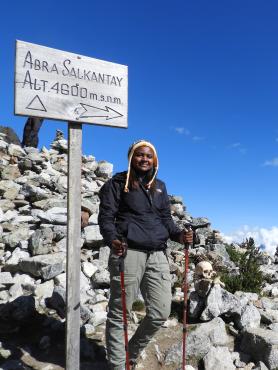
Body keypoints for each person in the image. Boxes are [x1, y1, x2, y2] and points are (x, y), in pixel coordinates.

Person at [98, 140, 193, 370]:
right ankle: (118, 365)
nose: (144, 159)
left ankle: (130, 351)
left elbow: (166, 221)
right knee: (121, 313)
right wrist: (113, 240)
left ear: (155, 160)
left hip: (158, 254)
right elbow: (106, 217)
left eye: (149, 156)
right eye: (140, 155)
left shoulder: (159, 186)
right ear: (131, 157)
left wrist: (180, 236)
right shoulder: (117, 183)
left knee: (161, 311)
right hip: (127, 252)